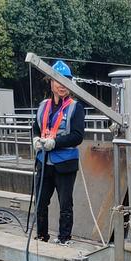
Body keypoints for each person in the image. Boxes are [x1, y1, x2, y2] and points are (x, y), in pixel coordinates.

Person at [30, 60, 86, 245]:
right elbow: (36, 127)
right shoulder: (43, 106)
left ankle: (64, 238)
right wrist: (36, 139)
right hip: (44, 161)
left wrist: (55, 142)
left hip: (65, 163)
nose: (62, 85)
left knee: (65, 204)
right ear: (50, 82)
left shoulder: (75, 107)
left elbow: (77, 136)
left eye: (66, 81)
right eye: (58, 81)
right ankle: (41, 236)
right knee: (40, 202)